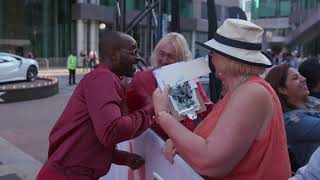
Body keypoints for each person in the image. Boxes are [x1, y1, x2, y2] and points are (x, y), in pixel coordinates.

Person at [152, 19, 291, 179]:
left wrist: (163, 115)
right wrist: (181, 143)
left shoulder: (252, 92)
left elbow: (210, 162)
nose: (211, 58)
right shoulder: (240, 90)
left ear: (225, 58)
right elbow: (214, 143)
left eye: (213, 53)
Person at [36, 31, 155, 180]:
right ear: (114, 54)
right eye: (133, 51)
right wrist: (152, 109)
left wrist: (122, 158)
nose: (138, 58)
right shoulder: (103, 78)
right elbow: (112, 131)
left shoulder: (104, 78)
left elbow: (90, 138)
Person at [126, 32, 213, 140]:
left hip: (182, 144)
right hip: (151, 142)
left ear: (181, 59)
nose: (164, 60)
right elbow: (127, 110)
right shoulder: (142, 78)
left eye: (170, 56)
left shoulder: (189, 80)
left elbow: (208, 112)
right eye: (162, 54)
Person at [265, 63, 320, 170]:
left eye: (300, 75)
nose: (304, 79)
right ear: (282, 89)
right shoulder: (291, 121)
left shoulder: (310, 101)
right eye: (295, 78)